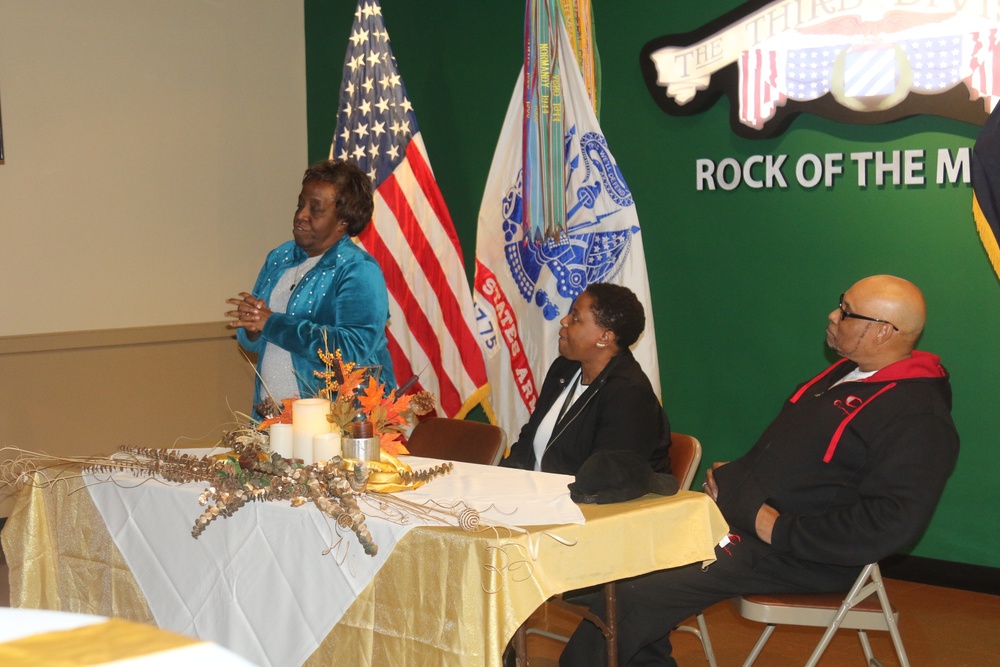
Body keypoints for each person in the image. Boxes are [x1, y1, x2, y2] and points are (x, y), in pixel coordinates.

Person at [560, 275, 960, 666]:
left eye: (846, 311)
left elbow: (891, 522)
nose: (833, 315)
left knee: (636, 592)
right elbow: (794, 458)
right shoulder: (845, 373)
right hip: (746, 524)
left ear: (883, 332)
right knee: (623, 559)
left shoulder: (919, 417)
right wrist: (734, 479)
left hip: (803, 557)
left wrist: (777, 528)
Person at [226, 160, 395, 419]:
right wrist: (251, 328)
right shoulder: (280, 258)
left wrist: (272, 323)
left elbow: (352, 349)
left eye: (315, 209)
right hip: (272, 418)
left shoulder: (358, 269)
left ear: (343, 222)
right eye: (300, 204)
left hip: (336, 423)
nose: (301, 215)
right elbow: (259, 342)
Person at [499, 283, 670, 475]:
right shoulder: (564, 369)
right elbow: (527, 442)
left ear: (604, 337)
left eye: (576, 318)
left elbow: (605, 477)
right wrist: (502, 481)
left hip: (586, 501)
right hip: (539, 496)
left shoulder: (630, 394)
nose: (564, 320)